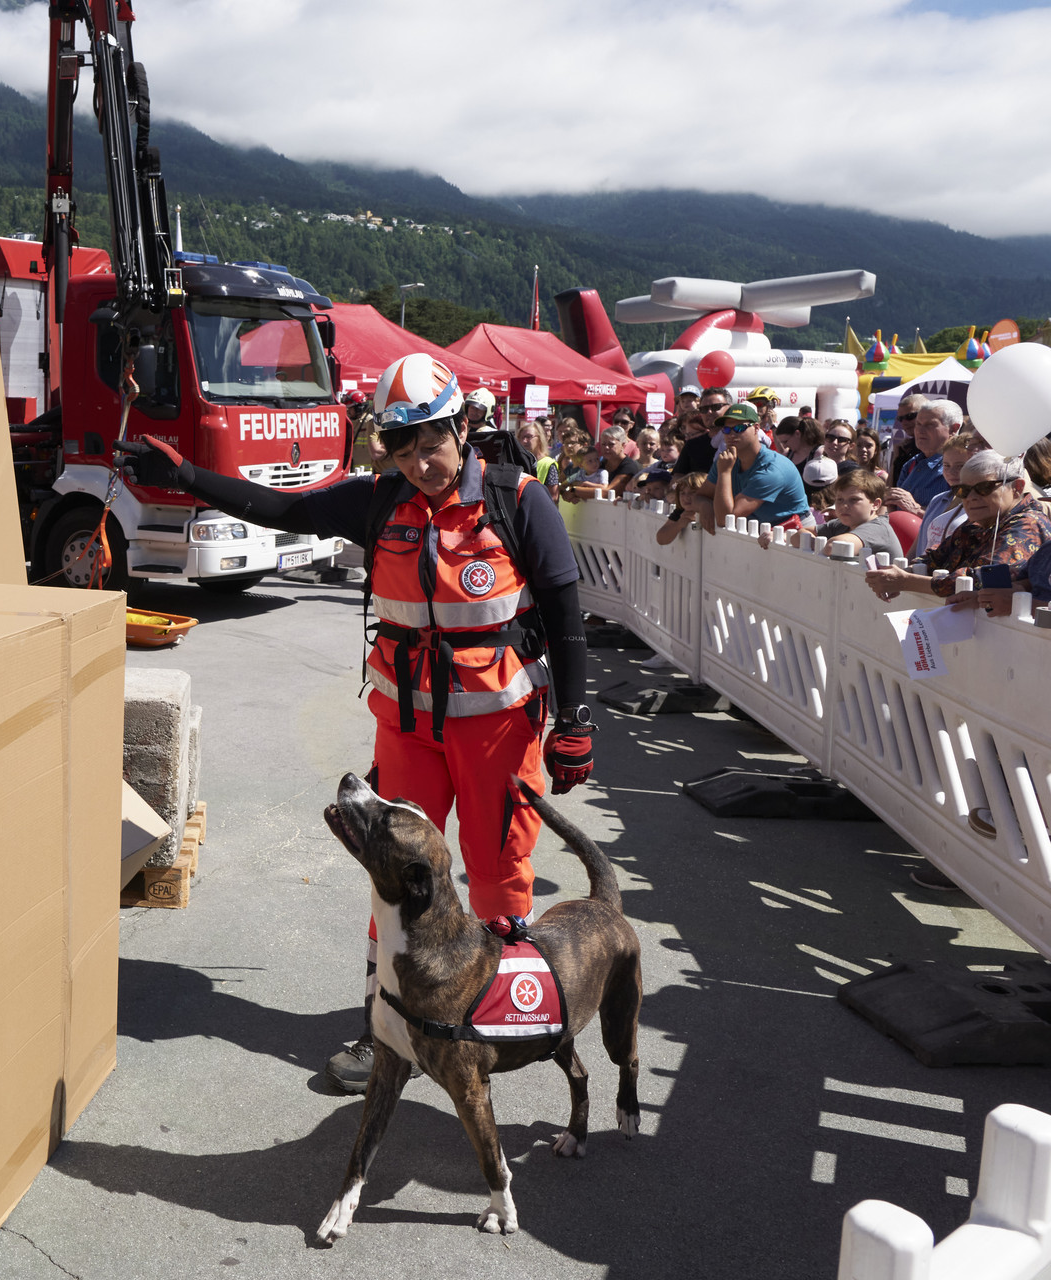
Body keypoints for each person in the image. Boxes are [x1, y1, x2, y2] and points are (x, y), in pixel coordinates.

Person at [117, 353, 597, 1095]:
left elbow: (566, 617)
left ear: (462, 427)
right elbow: (284, 510)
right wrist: (186, 478)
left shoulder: (517, 501)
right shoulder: (379, 502)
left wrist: (576, 721)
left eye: (430, 444)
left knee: (500, 871)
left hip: (498, 726)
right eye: (403, 449)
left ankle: (492, 1024)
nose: (420, 464)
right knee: (393, 878)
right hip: (408, 727)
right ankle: (386, 1029)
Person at [865, 451, 1051, 600]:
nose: (971, 498)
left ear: (1017, 487)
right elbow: (935, 557)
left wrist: (906, 581)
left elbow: (983, 579)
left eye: (984, 488)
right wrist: (898, 575)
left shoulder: (1029, 523)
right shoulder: (981, 522)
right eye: (962, 490)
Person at [710, 402, 813, 528]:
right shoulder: (727, 460)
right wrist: (703, 505)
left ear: (757, 428)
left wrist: (724, 473)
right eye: (726, 429)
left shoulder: (772, 469)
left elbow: (726, 520)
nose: (732, 434)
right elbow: (700, 496)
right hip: (763, 532)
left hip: (795, 533)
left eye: (740, 428)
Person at [887, 399, 961, 515]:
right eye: (918, 424)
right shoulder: (910, 464)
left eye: (930, 425)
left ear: (953, 429)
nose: (920, 431)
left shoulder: (962, 468)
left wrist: (916, 510)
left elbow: (955, 518)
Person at [812, 470, 903, 561]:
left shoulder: (877, 528)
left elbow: (834, 547)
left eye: (854, 499)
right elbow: (801, 535)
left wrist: (815, 544)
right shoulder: (841, 524)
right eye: (840, 499)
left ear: (875, 504)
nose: (844, 506)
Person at [913, 432, 978, 557]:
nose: (951, 472)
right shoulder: (937, 500)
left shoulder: (980, 505)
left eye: (960, 466)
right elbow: (919, 544)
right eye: (946, 465)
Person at [674, 387, 732, 476]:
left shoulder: (738, 441)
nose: (709, 412)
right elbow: (677, 479)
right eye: (704, 409)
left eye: (716, 407)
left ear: (730, 408)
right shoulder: (692, 445)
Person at [656, 471, 717, 545]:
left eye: (693, 492)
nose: (686, 497)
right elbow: (661, 539)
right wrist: (679, 524)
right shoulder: (680, 511)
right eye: (682, 493)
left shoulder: (714, 509)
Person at [516, 421, 560, 499]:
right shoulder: (516, 463)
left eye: (529, 437)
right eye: (521, 437)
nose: (524, 441)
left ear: (539, 439)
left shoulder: (548, 464)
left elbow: (554, 497)